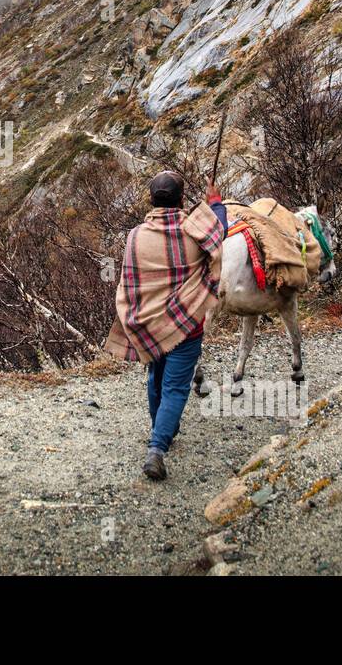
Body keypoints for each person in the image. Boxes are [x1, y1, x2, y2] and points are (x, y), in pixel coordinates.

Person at [105, 171, 227, 480]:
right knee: (175, 388)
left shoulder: (135, 236)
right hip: (186, 327)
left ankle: (163, 430)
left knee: (155, 381)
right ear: (182, 199)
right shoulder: (194, 231)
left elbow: (131, 283)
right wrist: (214, 201)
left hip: (150, 325)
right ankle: (157, 448)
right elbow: (219, 231)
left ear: (151, 200)